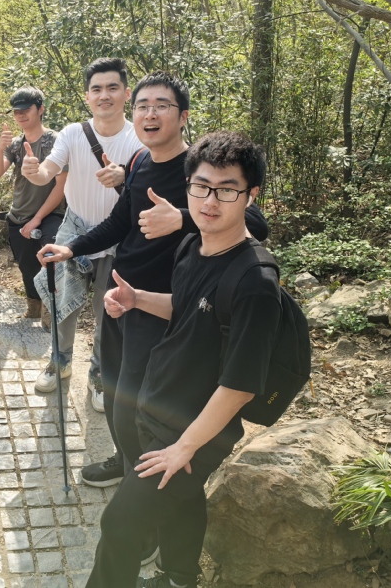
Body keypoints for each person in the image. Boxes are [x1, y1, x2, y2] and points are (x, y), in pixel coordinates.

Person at [39, 72, 268, 493]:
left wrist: (180, 218)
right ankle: (126, 461)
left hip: (165, 307)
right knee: (113, 394)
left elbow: (256, 222)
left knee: (141, 404)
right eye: (142, 106)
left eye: (161, 106)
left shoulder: (199, 170)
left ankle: (144, 492)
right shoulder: (139, 162)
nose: (150, 114)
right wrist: (71, 248)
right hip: (121, 296)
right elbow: (119, 223)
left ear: (183, 116)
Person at [84, 131, 279, 588]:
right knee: (183, 503)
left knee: (120, 524)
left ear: (250, 195)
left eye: (227, 189)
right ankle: (178, 579)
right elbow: (189, 307)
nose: (210, 201)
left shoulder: (255, 281)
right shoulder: (194, 246)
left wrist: (185, 447)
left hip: (195, 428)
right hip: (162, 404)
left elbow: (240, 385)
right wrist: (137, 299)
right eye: (201, 186)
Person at [22, 57, 142, 412]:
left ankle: (100, 373)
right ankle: (59, 361)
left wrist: (125, 176)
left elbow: (151, 181)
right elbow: (47, 172)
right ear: (87, 96)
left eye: (112, 88)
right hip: (74, 233)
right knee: (62, 303)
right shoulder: (73, 133)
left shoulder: (139, 137)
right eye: (96, 89)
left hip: (118, 237)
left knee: (108, 310)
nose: (104, 95)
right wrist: (33, 171)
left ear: (126, 94)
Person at [0, 87, 67, 322]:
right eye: (16, 111)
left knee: (50, 259)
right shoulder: (15, 144)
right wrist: (0, 146)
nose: (20, 115)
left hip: (51, 213)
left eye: (26, 109)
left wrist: (38, 219)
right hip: (19, 214)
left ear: (40, 109)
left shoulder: (56, 141)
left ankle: (51, 310)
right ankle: (33, 306)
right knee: (27, 266)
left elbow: (61, 186)